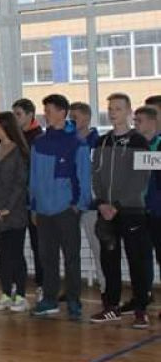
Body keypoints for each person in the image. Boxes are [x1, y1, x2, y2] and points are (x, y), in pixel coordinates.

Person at [89, 93, 152, 329]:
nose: (113, 112)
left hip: (132, 211)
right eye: (110, 108)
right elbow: (95, 175)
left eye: (118, 108)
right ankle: (111, 307)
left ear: (128, 112)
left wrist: (117, 205)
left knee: (137, 261)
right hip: (106, 212)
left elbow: (141, 179)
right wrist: (101, 203)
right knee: (109, 261)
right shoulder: (101, 142)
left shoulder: (140, 142)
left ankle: (141, 309)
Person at [28, 94, 91, 320]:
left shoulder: (77, 142)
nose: (45, 114)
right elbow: (33, 178)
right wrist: (33, 206)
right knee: (47, 258)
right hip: (43, 211)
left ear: (62, 112)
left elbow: (84, 176)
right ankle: (49, 300)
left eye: (49, 110)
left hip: (66, 210)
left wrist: (78, 205)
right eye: (45, 110)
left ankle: (73, 300)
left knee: (71, 257)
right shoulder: (39, 142)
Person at [0, 111, 31, 313]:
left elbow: (21, 183)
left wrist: (7, 208)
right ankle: (5, 293)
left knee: (15, 253)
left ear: (7, 126)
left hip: (14, 212)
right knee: (3, 254)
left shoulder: (21, 151)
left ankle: (20, 295)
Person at [69, 102, 105, 298]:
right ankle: (72, 288)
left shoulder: (98, 142)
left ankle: (105, 287)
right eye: (70, 117)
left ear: (87, 117)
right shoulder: (68, 141)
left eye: (76, 117)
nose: (72, 121)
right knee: (70, 248)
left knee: (98, 246)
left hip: (92, 203)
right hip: (71, 202)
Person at [12, 97, 44, 298]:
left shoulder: (39, 138)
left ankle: (42, 284)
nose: (15, 118)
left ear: (30, 115)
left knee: (38, 244)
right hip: (15, 199)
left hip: (34, 199)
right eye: (13, 114)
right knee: (15, 244)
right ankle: (17, 283)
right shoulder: (13, 137)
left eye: (18, 114)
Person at [135, 105, 161, 322]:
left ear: (153, 122)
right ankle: (142, 300)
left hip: (158, 211)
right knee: (142, 258)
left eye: (139, 121)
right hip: (140, 210)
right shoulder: (137, 146)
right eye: (134, 121)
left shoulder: (158, 144)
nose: (135, 125)